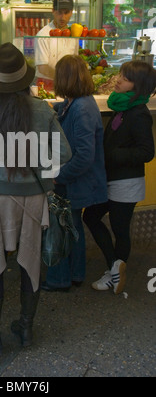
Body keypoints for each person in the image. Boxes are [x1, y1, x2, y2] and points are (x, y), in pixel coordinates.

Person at [0, 42, 72, 359]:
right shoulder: (43, 111)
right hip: (35, 199)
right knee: (30, 262)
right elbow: (63, 154)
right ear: (26, 80)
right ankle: (26, 328)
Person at [83, 60, 156, 294]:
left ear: (138, 85)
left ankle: (114, 274)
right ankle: (115, 267)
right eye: (120, 75)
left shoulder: (139, 114)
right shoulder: (123, 108)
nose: (118, 80)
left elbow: (147, 152)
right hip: (112, 179)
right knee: (91, 217)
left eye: (125, 78)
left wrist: (114, 154)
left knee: (119, 229)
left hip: (126, 182)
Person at [41, 55, 108, 293]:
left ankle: (59, 279)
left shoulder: (82, 108)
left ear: (64, 79)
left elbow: (84, 156)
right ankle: (76, 274)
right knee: (73, 226)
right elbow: (63, 111)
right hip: (76, 181)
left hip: (75, 181)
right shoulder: (78, 102)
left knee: (62, 226)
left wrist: (59, 177)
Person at [35, 0, 79, 92]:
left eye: (66, 12)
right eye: (59, 12)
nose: (62, 17)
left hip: (68, 85)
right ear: (53, 11)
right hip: (46, 85)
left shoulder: (73, 34)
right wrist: (66, 79)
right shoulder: (43, 35)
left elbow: (75, 62)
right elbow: (43, 68)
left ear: (71, 12)